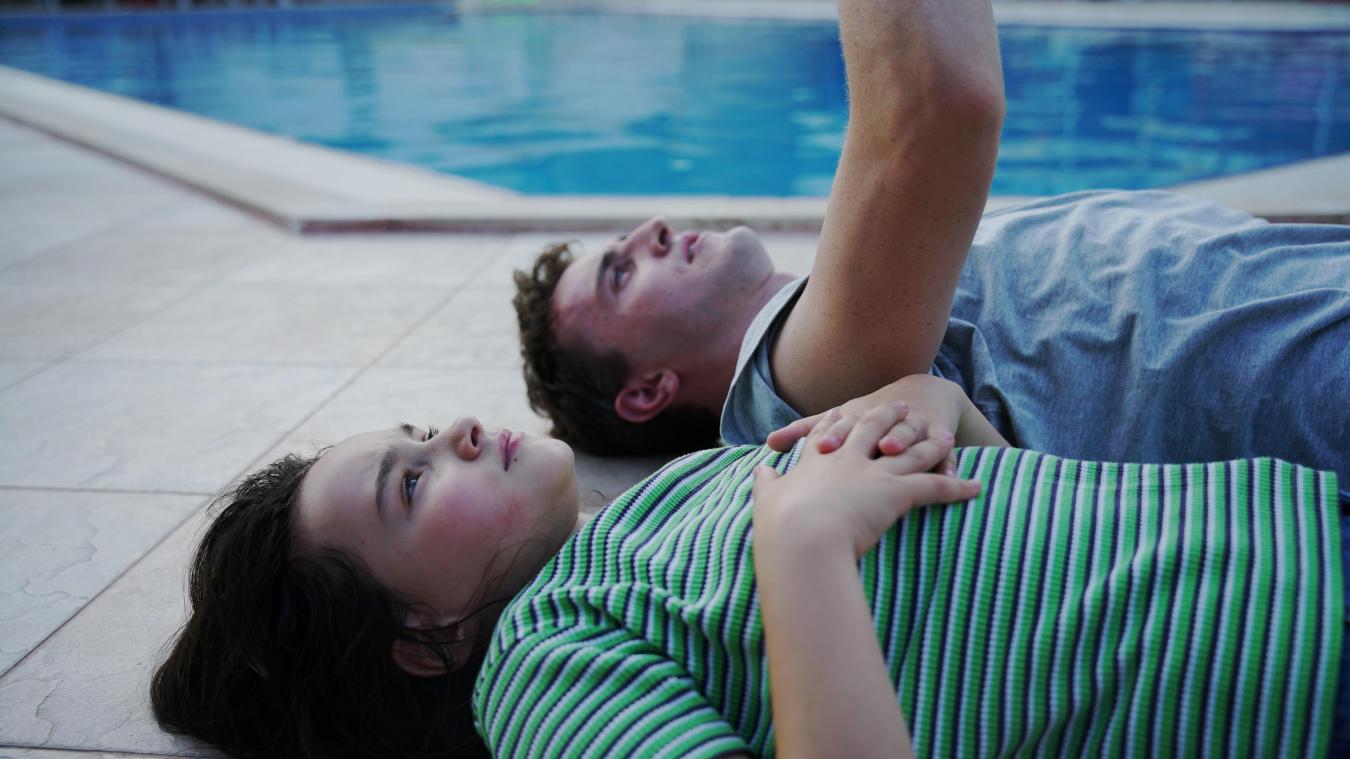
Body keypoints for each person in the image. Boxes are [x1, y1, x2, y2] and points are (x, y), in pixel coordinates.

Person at [149, 375, 1346, 759]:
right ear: (427, 639)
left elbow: (1001, 544)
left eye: (415, 433)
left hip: (1301, 528)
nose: (453, 432)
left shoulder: (670, 493)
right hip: (1297, 679)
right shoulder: (540, 672)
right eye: (410, 485)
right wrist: (805, 543)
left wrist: (944, 415)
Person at [512, 1, 1350, 495]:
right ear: (648, 390)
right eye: (621, 273)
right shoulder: (801, 388)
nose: (653, 230)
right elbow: (933, 105)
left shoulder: (864, 308)